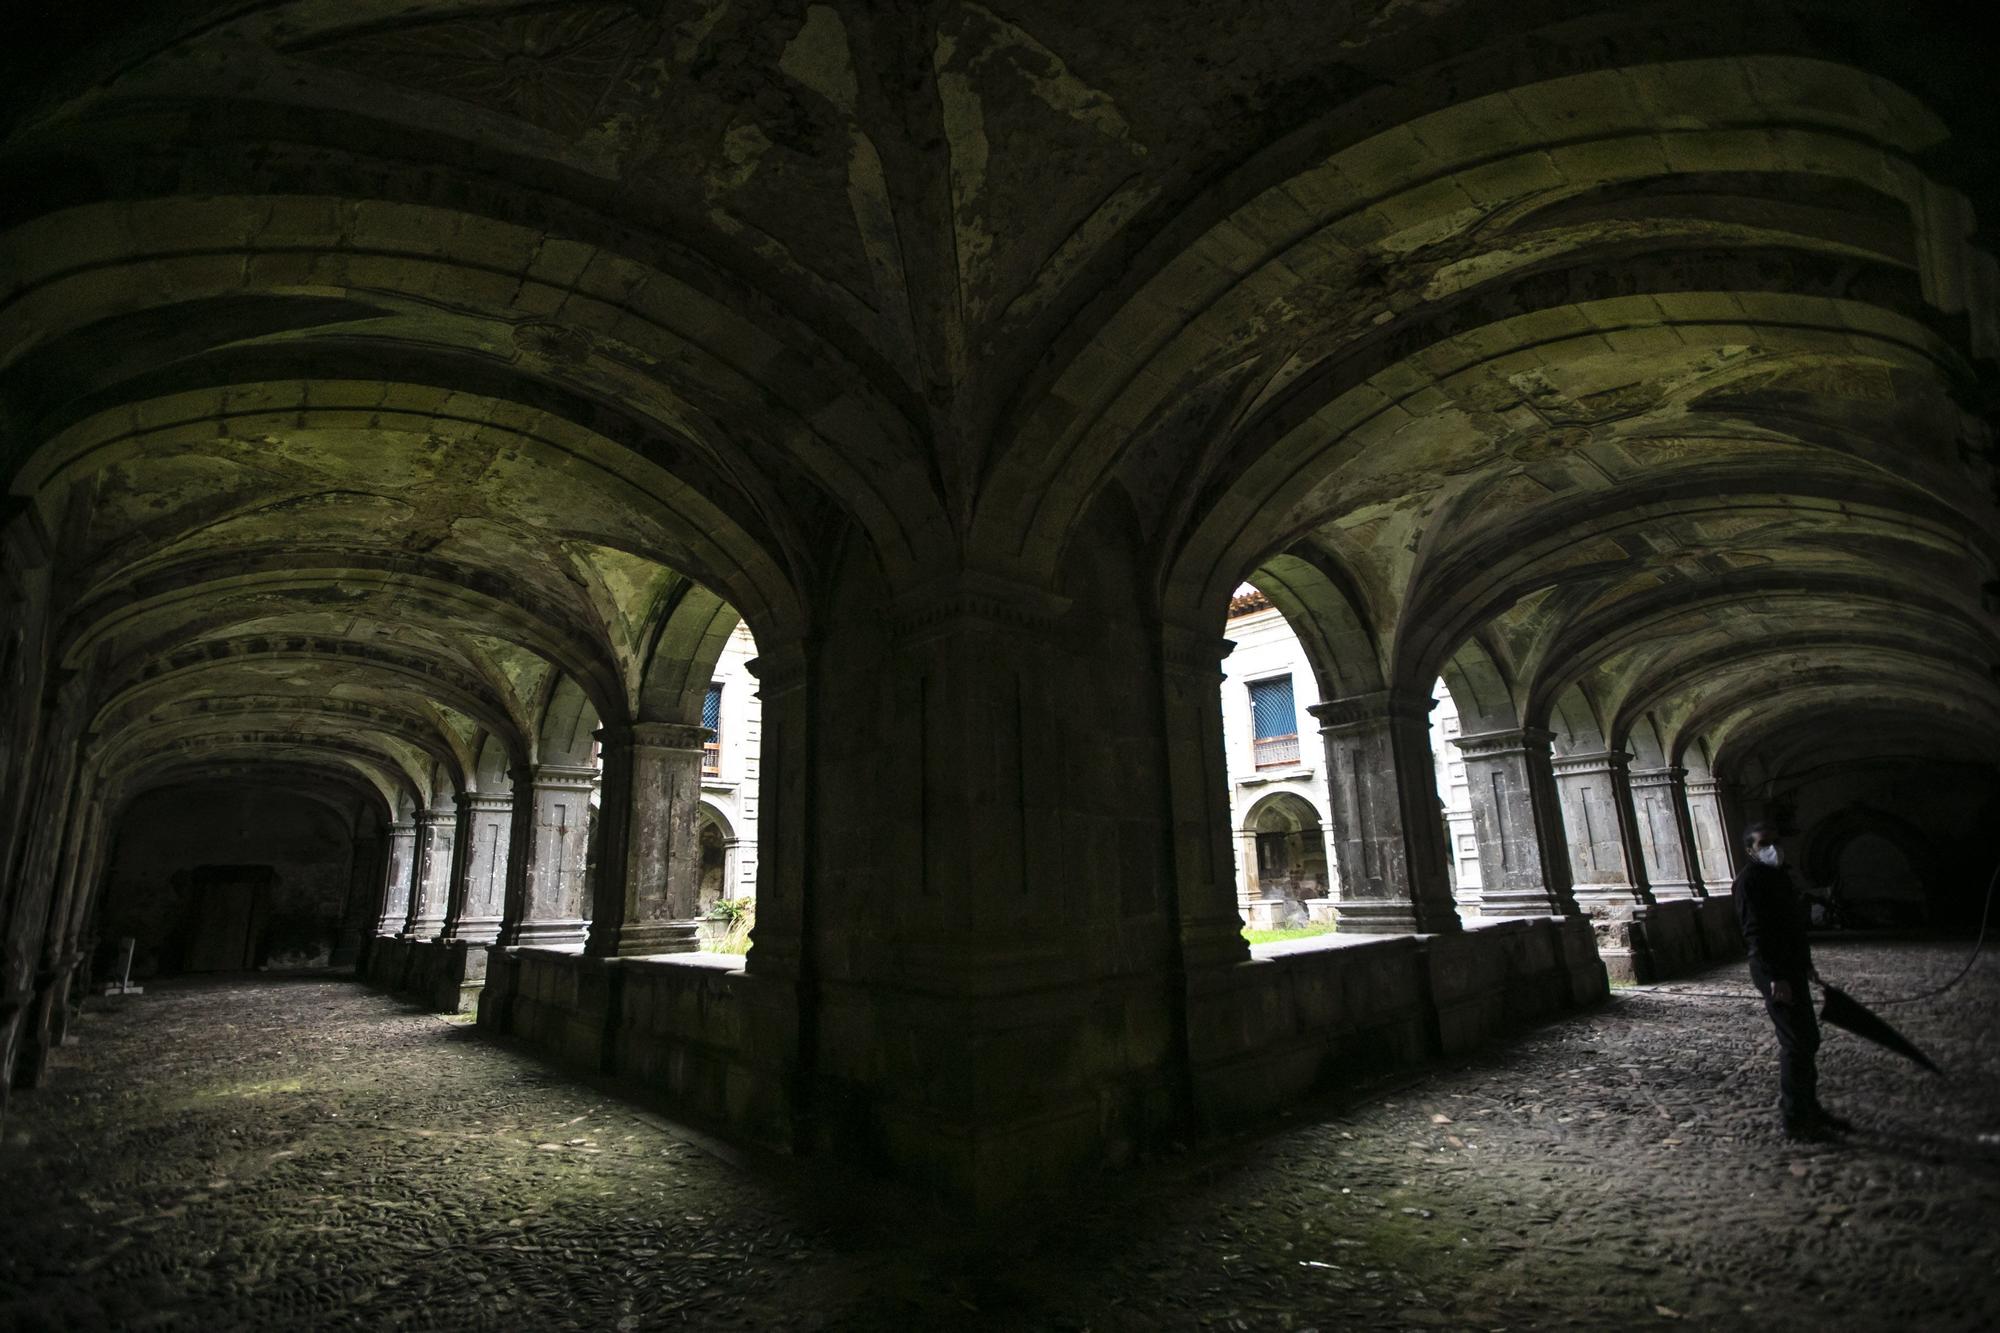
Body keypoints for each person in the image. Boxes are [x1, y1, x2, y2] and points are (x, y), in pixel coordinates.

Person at [1733, 823, 1851, 1142]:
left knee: (1808, 1038)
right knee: (1796, 1043)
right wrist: (1774, 977)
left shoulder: (1779, 876)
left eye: (1774, 841)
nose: (1771, 847)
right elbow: (1754, 931)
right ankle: (1796, 1119)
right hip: (1773, 971)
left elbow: (1792, 927)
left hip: (1791, 968)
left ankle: (1808, 1106)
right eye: (1763, 844)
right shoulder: (1749, 881)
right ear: (1750, 851)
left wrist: (1806, 964)